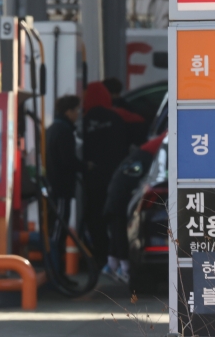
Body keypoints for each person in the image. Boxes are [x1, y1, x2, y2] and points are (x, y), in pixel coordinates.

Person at [103, 131, 167, 283]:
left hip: (121, 186)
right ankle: (123, 267)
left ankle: (115, 264)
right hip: (125, 187)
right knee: (118, 218)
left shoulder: (149, 151)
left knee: (116, 217)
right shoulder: (168, 141)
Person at [81, 82, 129, 267]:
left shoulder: (84, 121)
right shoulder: (117, 118)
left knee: (95, 216)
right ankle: (117, 256)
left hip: (93, 179)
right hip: (116, 177)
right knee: (116, 218)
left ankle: (100, 255)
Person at [46, 95, 85, 277]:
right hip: (61, 188)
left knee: (56, 231)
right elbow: (68, 160)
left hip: (55, 187)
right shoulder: (64, 131)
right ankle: (56, 274)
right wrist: (86, 166)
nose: (78, 114)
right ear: (68, 111)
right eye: (77, 110)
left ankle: (56, 273)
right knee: (57, 233)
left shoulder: (53, 129)